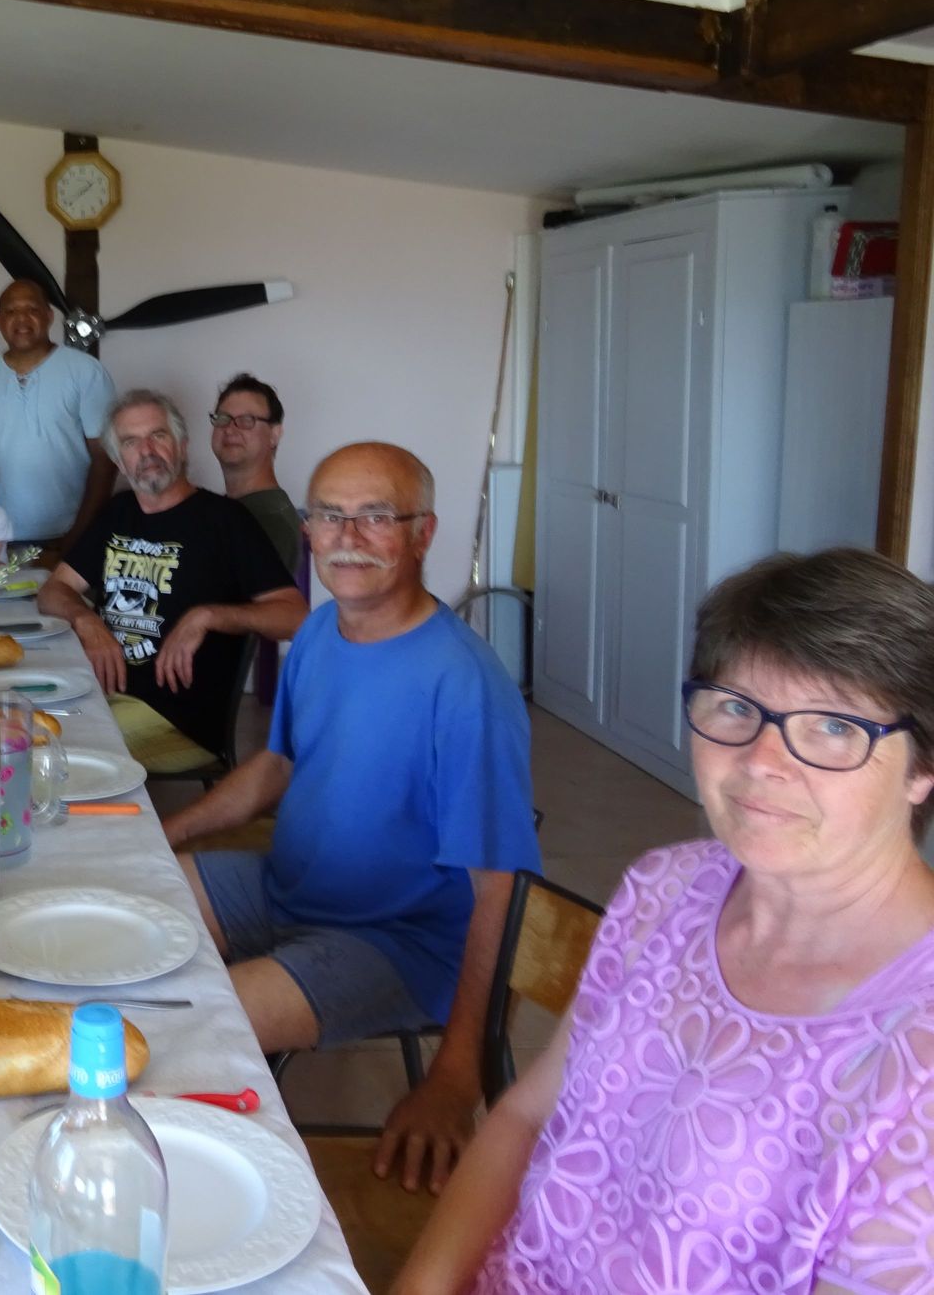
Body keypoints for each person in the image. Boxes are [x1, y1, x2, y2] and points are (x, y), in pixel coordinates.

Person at [398, 548, 934, 1292]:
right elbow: (530, 1115)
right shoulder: (668, 887)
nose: (762, 761)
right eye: (737, 708)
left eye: (834, 727)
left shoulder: (916, 1053)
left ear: (921, 768)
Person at [162, 441, 540, 1196]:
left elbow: (500, 887)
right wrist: (158, 837)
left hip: (397, 941)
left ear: (423, 532)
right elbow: (276, 767)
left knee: (189, 1029)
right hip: (287, 888)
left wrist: (455, 1075)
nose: (348, 537)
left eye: (376, 517)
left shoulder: (464, 683)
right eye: (330, 515)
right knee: (134, 905)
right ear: (307, 528)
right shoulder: (318, 635)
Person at [38, 390, 307, 773]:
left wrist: (208, 616)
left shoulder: (226, 521)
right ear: (119, 460)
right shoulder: (118, 513)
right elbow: (54, 590)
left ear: (181, 445)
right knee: (14, 722)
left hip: (177, 721)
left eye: (158, 435)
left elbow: (295, 617)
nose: (146, 451)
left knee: (45, 751)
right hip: (102, 694)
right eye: (131, 442)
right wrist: (87, 621)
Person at [0, 279, 117, 553]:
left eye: (32, 309)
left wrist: (78, 535)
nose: (22, 319)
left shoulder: (86, 372)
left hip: (71, 534)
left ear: (49, 316)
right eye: (11, 311)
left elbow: (107, 460)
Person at [212, 372, 302, 578]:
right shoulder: (231, 509)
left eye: (246, 420)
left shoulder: (271, 522)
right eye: (223, 418)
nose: (230, 429)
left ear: (274, 435)